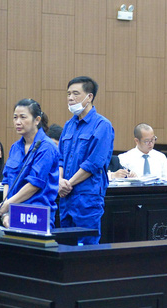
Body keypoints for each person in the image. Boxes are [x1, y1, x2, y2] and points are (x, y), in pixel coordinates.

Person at [58, 76, 114, 244]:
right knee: (65, 246)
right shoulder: (68, 125)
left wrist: (68, 184)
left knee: (86, 247)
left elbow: (94, 163)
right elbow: (60, 158)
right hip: (65, 196)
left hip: (87, 197)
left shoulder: (102, 125)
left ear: (89, 97)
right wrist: (59, 181)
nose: (70, 98)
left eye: (76, 94)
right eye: (68, 94)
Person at [0, 99, 60, 228]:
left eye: (23, 117)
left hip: (37, 214)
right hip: (14, 212)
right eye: (15, 117)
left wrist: (8, 204)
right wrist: (6, 212)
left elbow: (34, 184)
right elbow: (7, 180)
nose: (17, 122)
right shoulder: (15, 147)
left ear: (37, 120)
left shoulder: (47, 147)